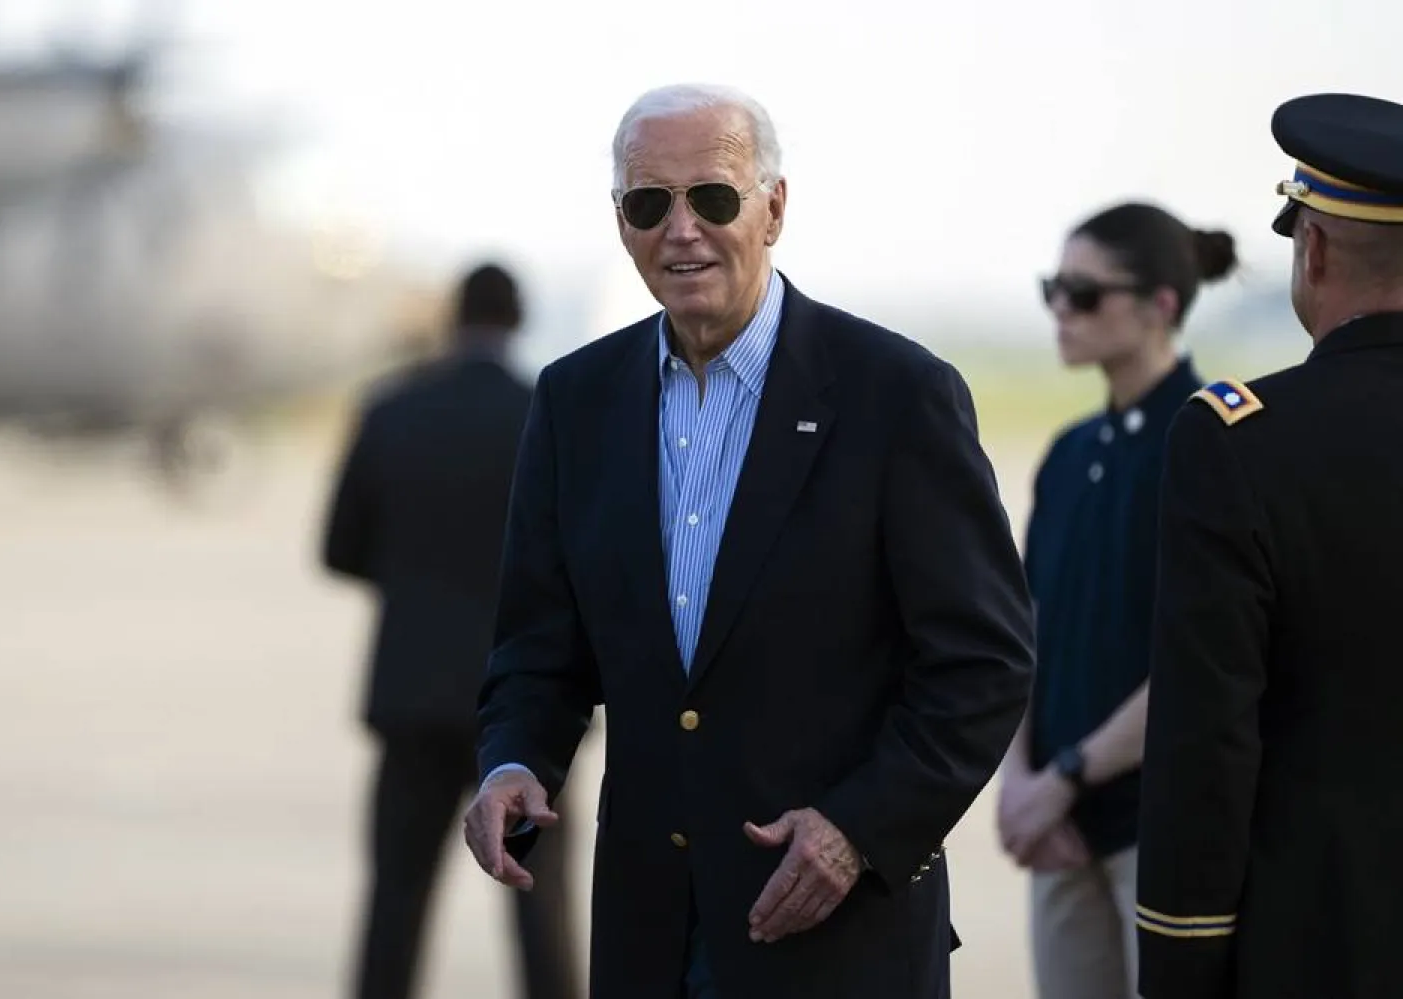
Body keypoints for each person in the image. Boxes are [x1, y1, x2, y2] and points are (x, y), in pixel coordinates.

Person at [460, 82, 1036, 999]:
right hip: (649, 932)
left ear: (774, 207)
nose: (682, 229)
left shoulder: (897, 394)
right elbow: (539, 643)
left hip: (832, 933)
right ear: (621, 222)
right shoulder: (575, 402)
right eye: (651, 204)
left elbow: (985, 662)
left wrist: (857, 828)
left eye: (714, 198)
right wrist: (517, 760)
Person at [1136, 92, 1403, 999]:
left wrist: (1181, 954)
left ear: (1315, 248)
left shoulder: (1242, 440)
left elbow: (1206, 742)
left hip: (1322, 945)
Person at [996, 202, 1237, 999]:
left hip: (1158, 836)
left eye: (1084, 293)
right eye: (1051, 290)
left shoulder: (1207, 447)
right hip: (1057, 834)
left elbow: (1201, 659)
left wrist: (1063, 775)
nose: (1062, 309)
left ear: (1161, 305)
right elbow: (1025, 628)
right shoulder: (1068, 454)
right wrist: (1023, 780)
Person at [322, 262, 580, 999]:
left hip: (411, 694)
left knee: (396, 899)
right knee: (541, 904)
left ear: (452, 316)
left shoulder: (392, 408)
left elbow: (338, 548)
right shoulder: (548, 415)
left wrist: (414, 583)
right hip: (528, 710)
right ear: (519, 318)